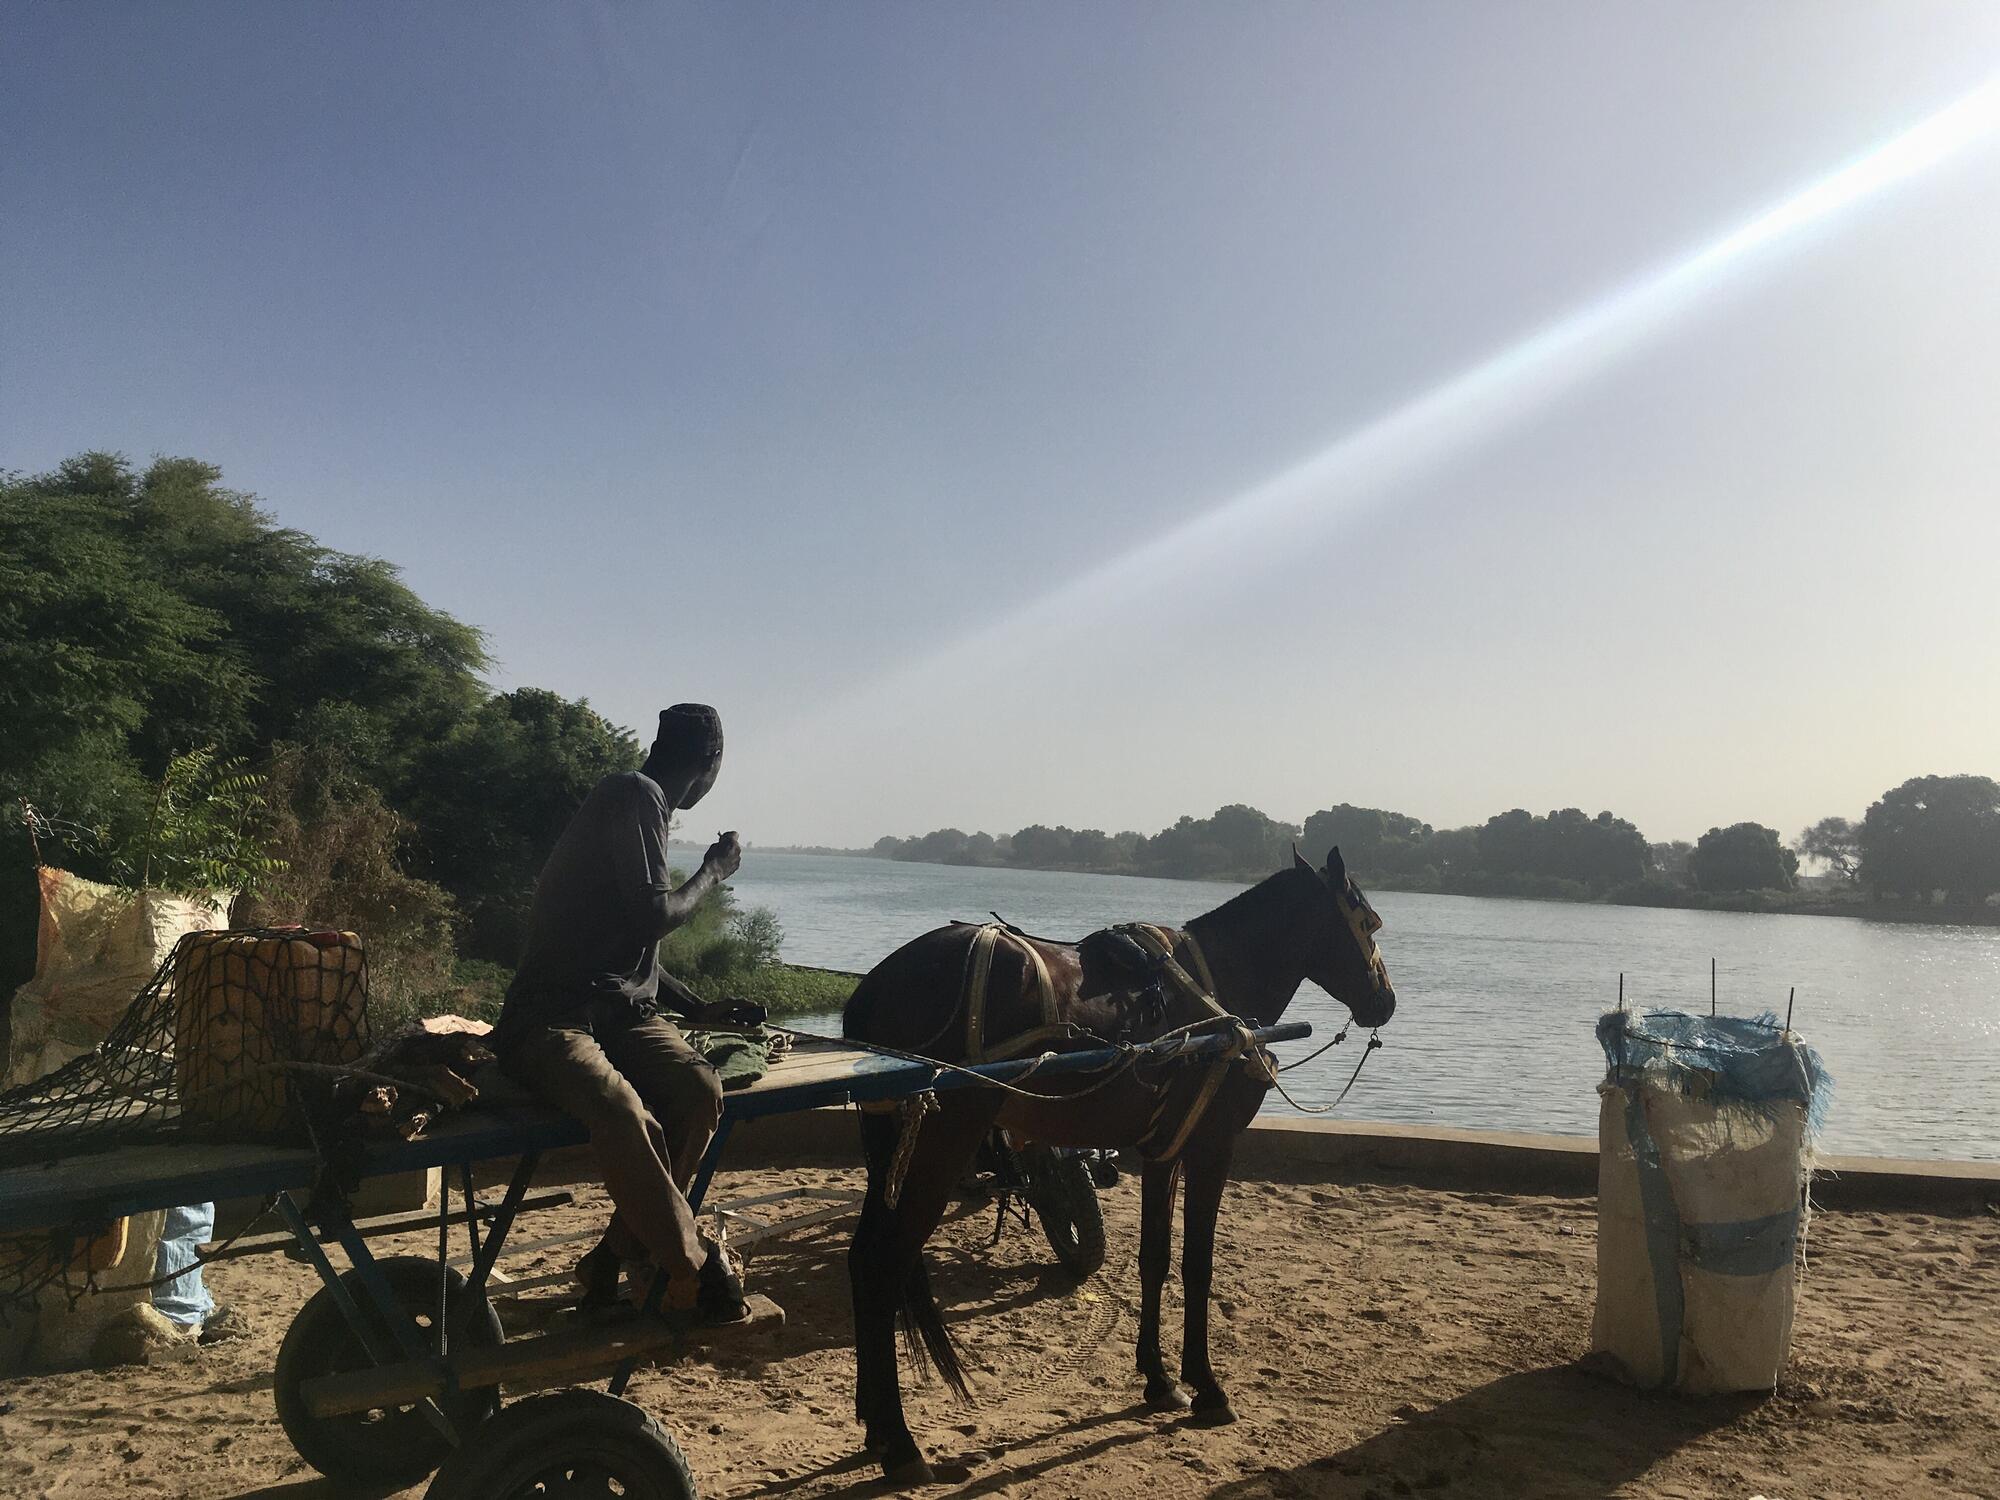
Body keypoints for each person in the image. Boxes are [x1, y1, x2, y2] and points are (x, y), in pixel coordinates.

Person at [492, 703, 748, 1325]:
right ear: (710, 764)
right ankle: (691, 1266)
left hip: (620, 1013)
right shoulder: (632, 795)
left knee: (697, 1089)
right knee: (623, 1111)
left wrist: (698, 1007)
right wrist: (714, 871)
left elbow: (626, 946)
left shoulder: (643, 806)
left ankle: (613, 1253)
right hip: (552, 1018)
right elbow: (653, 916)